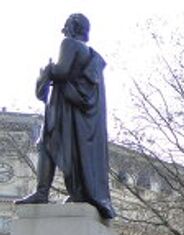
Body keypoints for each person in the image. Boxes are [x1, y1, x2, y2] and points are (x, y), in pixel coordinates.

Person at [14, 13, 115, 219]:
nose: (64, 30)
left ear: (72, 27)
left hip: (64, 108)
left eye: (66, 26)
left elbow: (62, 71)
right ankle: (77, 192)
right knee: (67, 150)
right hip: (73, 110)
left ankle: (42, 192)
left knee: (46, 143)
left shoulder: (69, 44)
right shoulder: (90, 54)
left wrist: (47, 71)